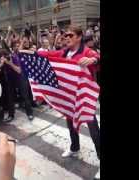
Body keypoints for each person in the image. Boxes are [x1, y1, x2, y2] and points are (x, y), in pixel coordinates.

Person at [37, 24, 101, 179]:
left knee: (92, 127)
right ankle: (74, 147)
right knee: (70, 123)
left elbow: (97, 58)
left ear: (79, 37)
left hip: (84, 98)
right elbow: (50, 55)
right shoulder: (64, 52)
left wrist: (92, 60)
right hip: (70, 98)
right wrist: (36, 52)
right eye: (65, 35)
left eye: (70, 35)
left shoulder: (86, 51)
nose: (67, 38)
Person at [2, 41, 34, 122]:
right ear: (12, 48)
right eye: (15, 46)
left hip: (20, 78)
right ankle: (11, 115)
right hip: (10, 80)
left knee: (25, 96)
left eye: (18, 46)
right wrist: (3, 62)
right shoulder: (5, 57)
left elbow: (18, 70)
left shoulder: (15, 57)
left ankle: (29, 113)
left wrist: (9, 63)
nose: (17, 47)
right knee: (10, 98)